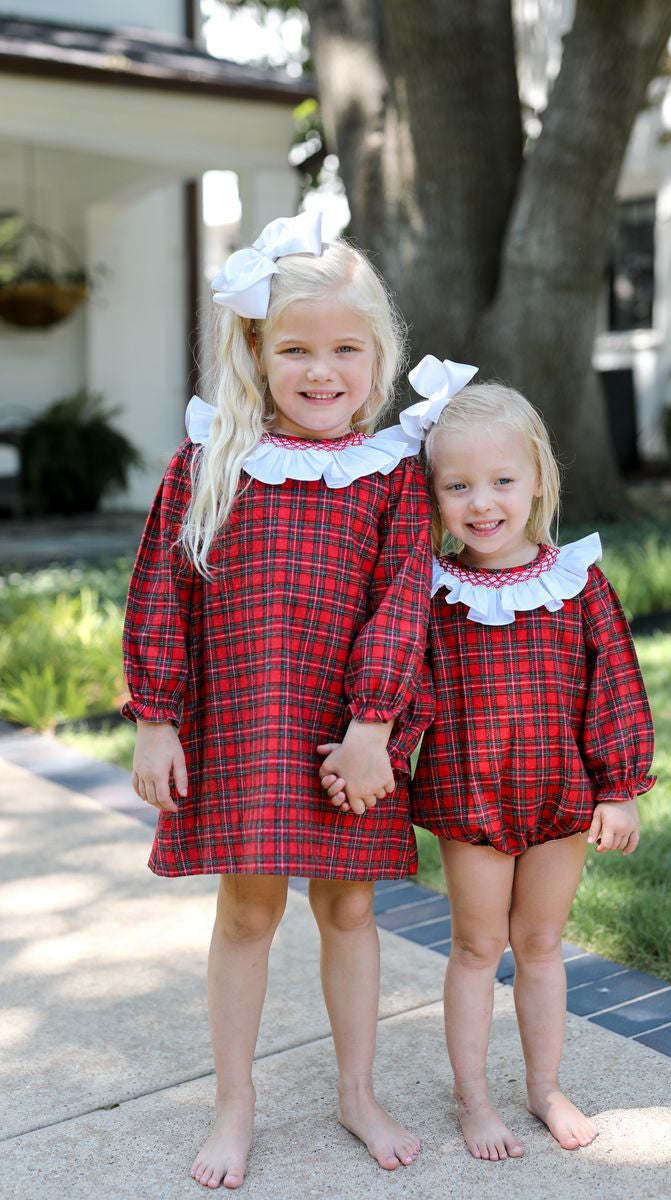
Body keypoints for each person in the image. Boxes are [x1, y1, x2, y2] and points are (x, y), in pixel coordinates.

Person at [122, 211, 433, 1189]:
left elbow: (401, 605)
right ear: (254, 351)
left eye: (346, 348)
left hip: (349, 738)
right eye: (295, 348)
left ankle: (355, 1088)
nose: (321, 371)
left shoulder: (389, 477)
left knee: (347, 910)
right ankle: (234, 1104)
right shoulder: (212, 460)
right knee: (248, 912)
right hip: (246, 728)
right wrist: (158, 716)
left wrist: (373, 727)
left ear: (376, 355)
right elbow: (160, 589)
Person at [394, 360, 654, 1160]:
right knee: (478, 946)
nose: (482, 503)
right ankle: (474, 1099)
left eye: (503, 480)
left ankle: (543, 1087)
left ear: (539, 478)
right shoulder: (435, 593)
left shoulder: (577, 584)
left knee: (540, 945)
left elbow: (612, 684)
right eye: (458, 486)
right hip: (470, 797)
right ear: (432, 495)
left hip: (559, 796)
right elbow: (409, 687)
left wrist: (620, 789)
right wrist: (386, 756)